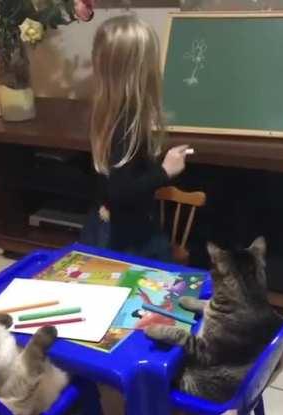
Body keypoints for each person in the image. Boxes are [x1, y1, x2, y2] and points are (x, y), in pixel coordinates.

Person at [81, 15, 190, 261]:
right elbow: (121, 190)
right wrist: (165, 171)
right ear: (140, 69)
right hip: (125, 237)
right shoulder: (127, 122)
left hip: (108, 225)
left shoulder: (109, 113)